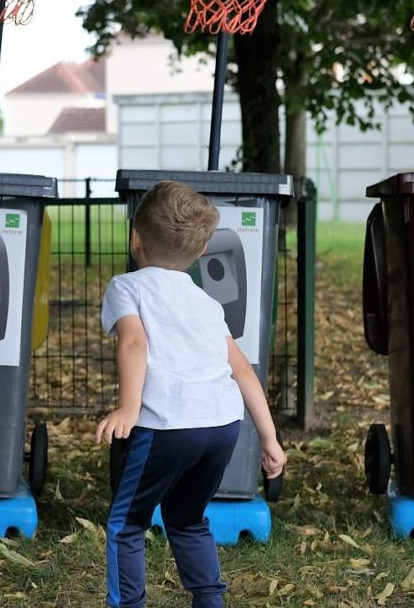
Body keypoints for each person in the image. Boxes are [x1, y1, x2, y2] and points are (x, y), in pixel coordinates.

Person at [96, 181, 287, 608]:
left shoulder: (127, 286)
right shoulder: (207, 303)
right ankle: (209, 601)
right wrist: (270, 440)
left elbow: (133, 342)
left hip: (167, 425)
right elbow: (243, 371)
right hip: (222, 426)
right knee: (187, 518)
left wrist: (128, 408)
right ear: (201, 251)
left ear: (135, 238)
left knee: (127, 524)